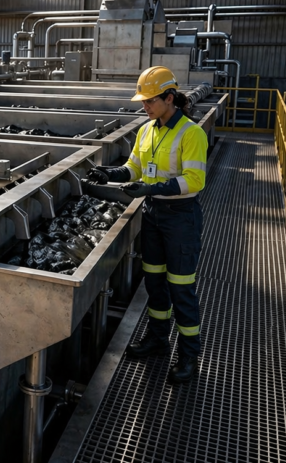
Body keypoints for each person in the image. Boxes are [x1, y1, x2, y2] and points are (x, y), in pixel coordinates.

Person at [85, 66, 207, 384]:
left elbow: (195, 181)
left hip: (181, 219)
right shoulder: (147, 130)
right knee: (154, 282)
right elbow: (135, 167)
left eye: (150, 100)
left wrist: (151, 189)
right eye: (143, 101)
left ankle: (189, 354)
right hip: (153, 216)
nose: (145, 106)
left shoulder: (192, 133)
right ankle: (157, 338)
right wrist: (109, 174)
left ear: (170, 98)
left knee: (181, 287)